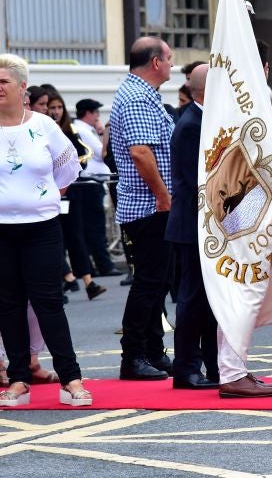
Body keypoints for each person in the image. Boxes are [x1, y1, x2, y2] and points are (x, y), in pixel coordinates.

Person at [0, 54, 92, 407]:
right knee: (9, 304)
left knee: (49, 302)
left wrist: (38, 198)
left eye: (4, 81)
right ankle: (19, 379)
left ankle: (71, 379)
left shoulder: (43, 125)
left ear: (22, 87)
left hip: (41, 227)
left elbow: (66, 170)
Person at [111, 37, 176, 381]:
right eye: (168, 58)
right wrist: (163, 196)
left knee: (159, 281)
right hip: (148, 206)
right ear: (154, 62)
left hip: (152, 204)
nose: (171, 64)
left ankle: (153, 351)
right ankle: (132, 356)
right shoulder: (137, 98)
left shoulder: (144, 95)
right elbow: (140, 153)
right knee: (149, 283)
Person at [164, 65, 218, 390]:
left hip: (205, 223)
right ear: (203, 90)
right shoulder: (191, 125)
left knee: (210, 301)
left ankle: (215, 365)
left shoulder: (204, 120)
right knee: (193, 299)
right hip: (192, 223)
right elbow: (198, 181)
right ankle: (185, 369)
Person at [48, 92, 108, 300]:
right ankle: (67, 278)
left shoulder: (69, 128)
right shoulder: (40, 127)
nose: (55, 111)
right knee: (53, 237)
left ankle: (86, 281)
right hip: (47, 192)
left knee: (75, 236)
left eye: (58, 107)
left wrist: (70, 166)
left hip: (71, 190)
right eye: (49, 107)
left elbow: (84, 153)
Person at [73, 98, 122, 278]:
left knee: (90, 227)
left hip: (93, 183)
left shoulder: (85, 129)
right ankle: (104, 265)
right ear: (88, 113)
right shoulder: (83, 130)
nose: (97, 117)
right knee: (95, 227)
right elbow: (103, 153)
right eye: (96, 113)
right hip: (90, 184)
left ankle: (96, 265)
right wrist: (104, 132)